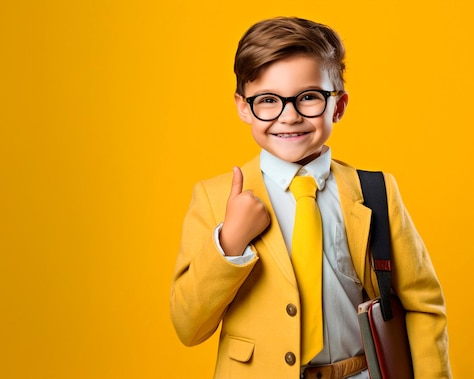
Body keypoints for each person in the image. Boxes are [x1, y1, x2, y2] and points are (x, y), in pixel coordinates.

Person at [170, 17, 451, 379]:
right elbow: (188, 326)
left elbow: (422, 305)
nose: (289, 117)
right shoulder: (213, 197)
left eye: (308, 98)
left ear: (338, 105)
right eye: (268, 100)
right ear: (243, 106)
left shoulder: (376, 191)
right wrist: (230, 243)